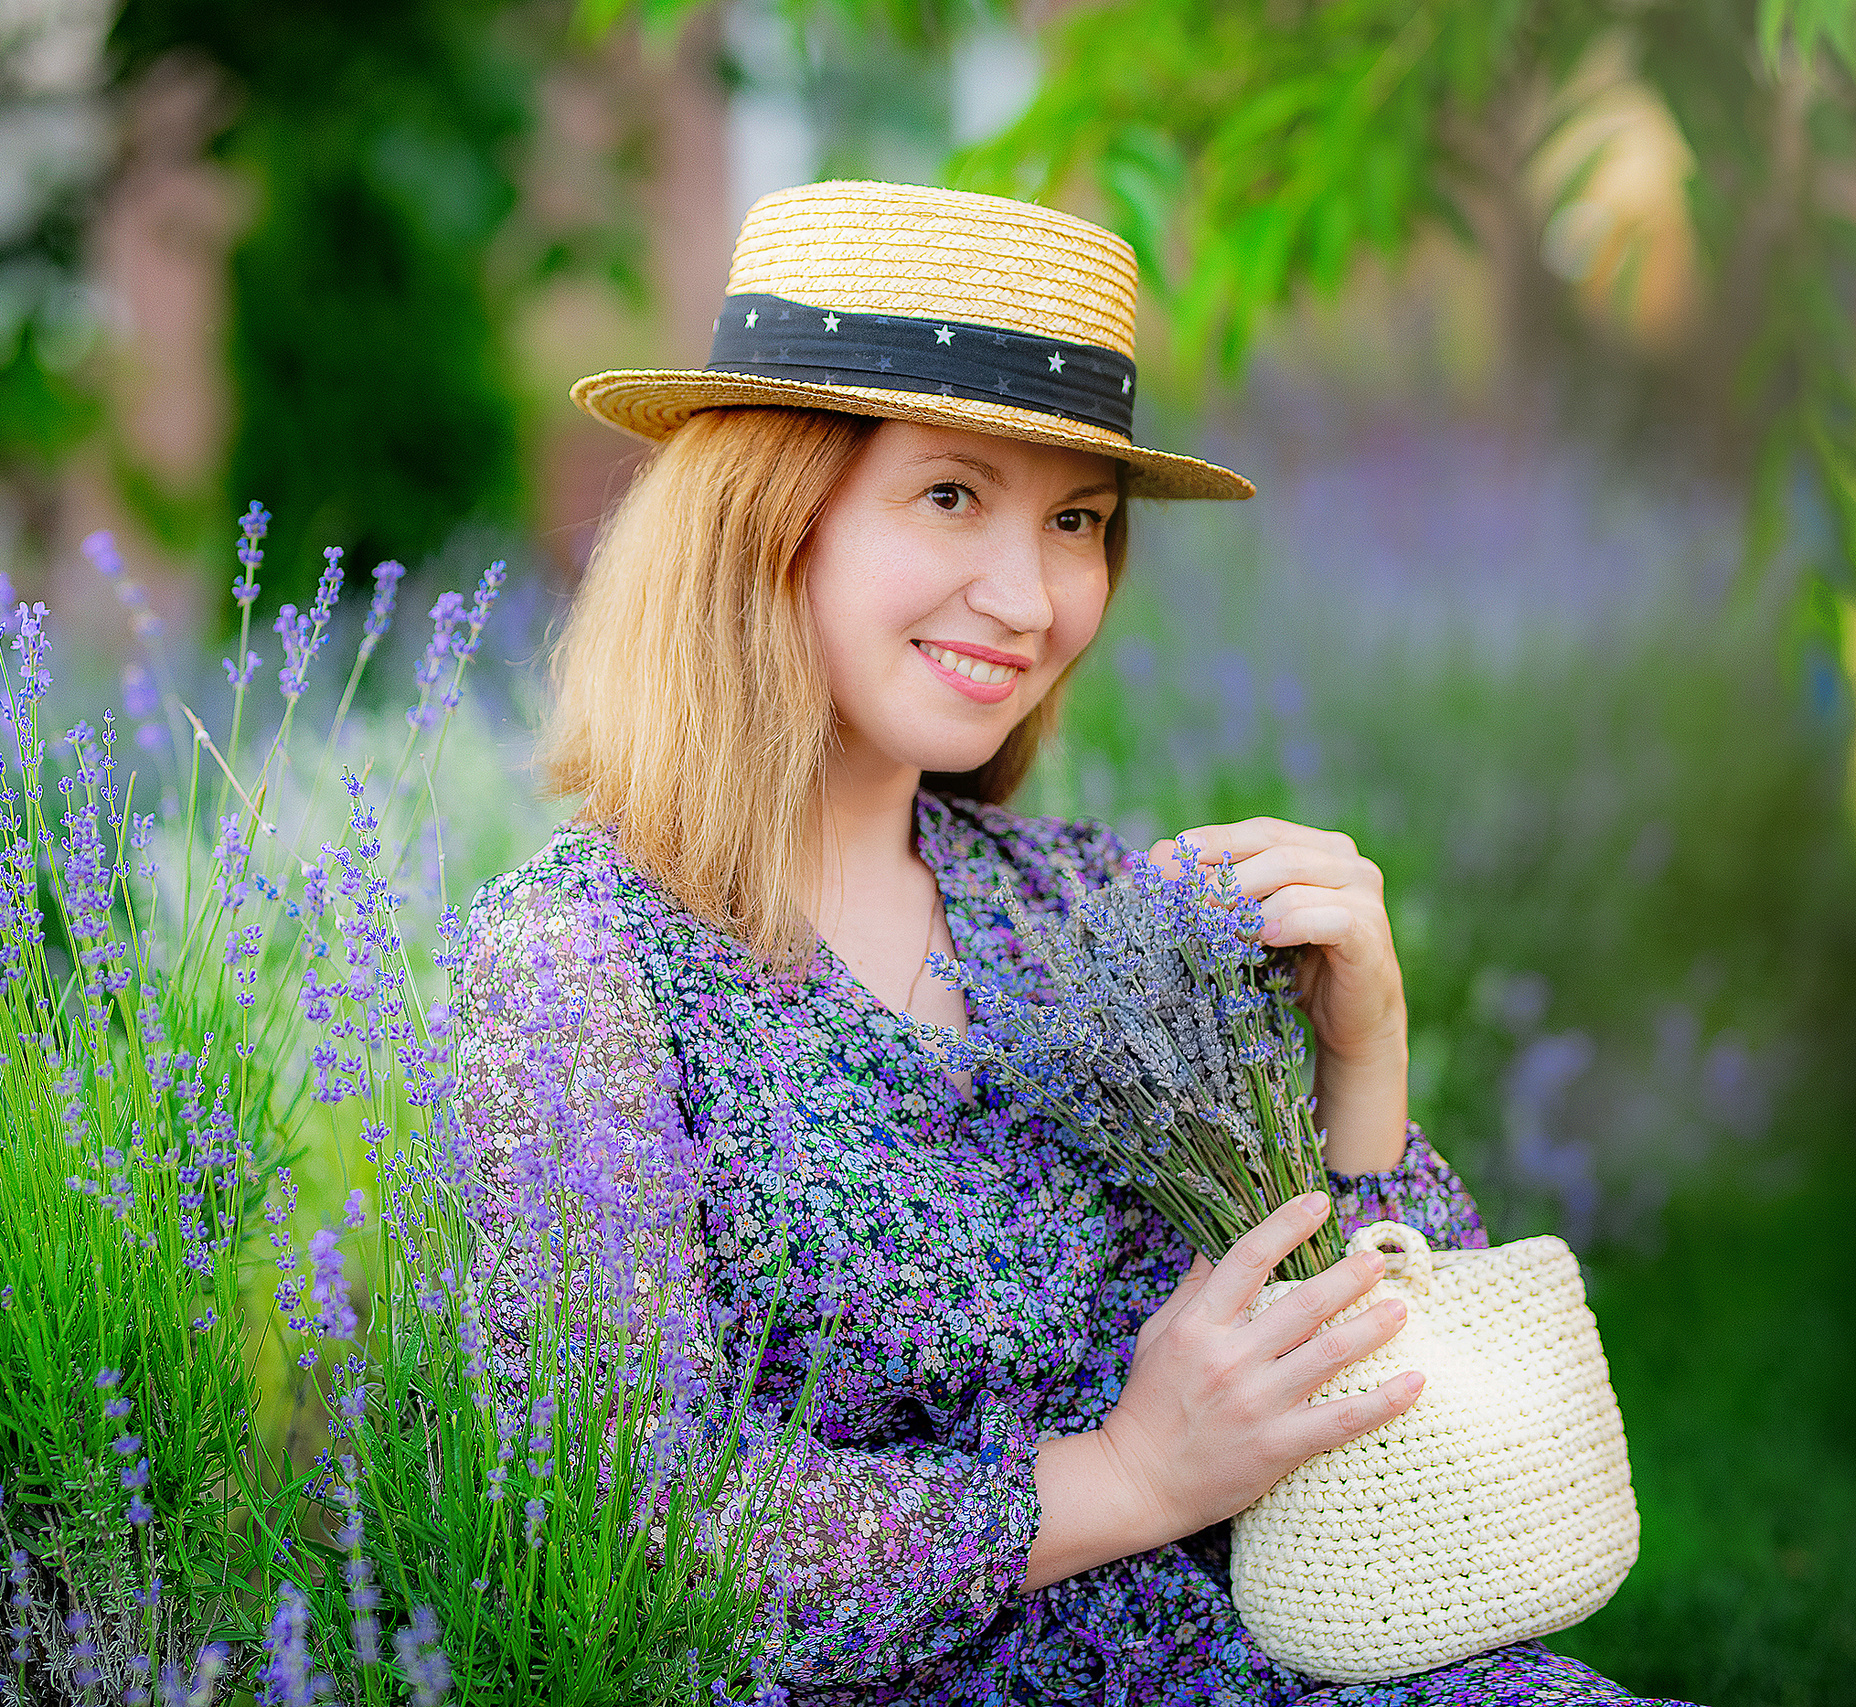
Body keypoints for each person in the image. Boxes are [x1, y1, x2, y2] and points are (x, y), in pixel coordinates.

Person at [453, 181, 1684, 1705]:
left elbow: (1430, 1450)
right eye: (952, 497)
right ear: (772, 517)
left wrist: (1363, 1068)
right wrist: (1129, 1477)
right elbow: (624, 1537)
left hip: (1298, 1663)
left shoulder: (1092, 912)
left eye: (1078, 521)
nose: (1031, 598)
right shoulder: (577, 970)